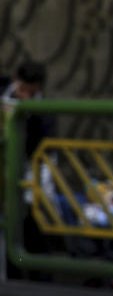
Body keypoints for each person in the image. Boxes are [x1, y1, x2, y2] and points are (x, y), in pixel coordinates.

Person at [2, 60, 56, 281]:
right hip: (4, 167)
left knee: (31, 222)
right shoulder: (3, 89)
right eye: (22, 90)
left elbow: (44, 148)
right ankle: (12, 272)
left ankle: (38, 274)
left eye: (31, 93)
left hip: (27, 169)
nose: (25, 96)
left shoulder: (44, 111)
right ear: (15, 80)